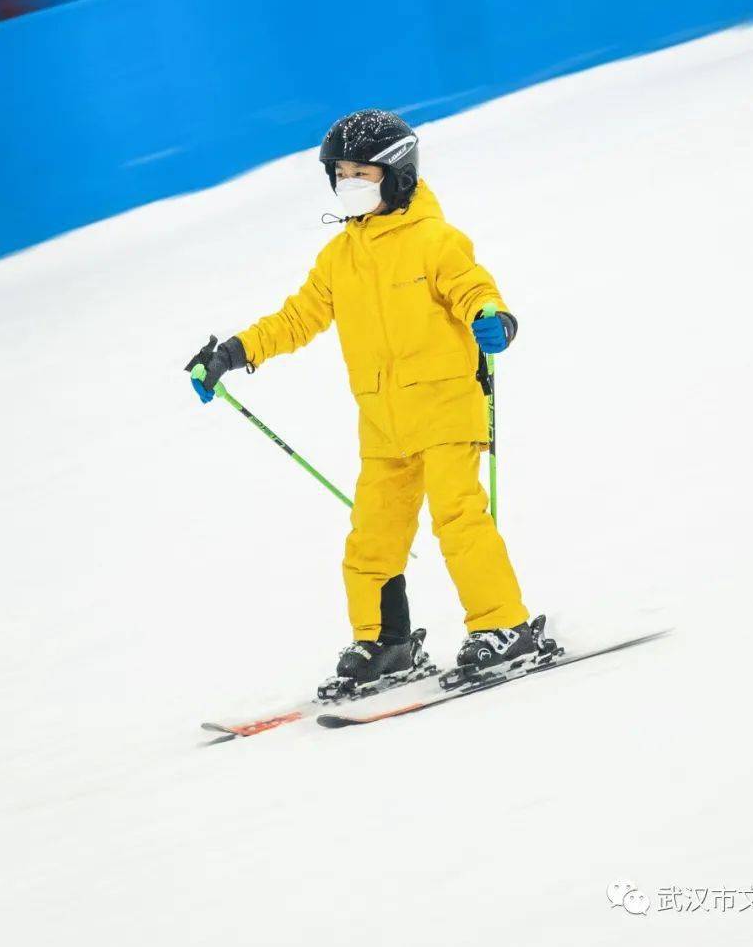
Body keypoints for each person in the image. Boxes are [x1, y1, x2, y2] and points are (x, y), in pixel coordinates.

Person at [184, 109, 548, 694]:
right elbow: (297, 318)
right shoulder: (339, 258)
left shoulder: (435, 240)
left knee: (458, 519)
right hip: (383, 424)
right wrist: (234, 352)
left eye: (363, 173)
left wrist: (494, 320)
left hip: (447, 409)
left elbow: (474, 288)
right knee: (371, 538)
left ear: (397, 175)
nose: (349, 183)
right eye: (342, 173)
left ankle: (504, 625)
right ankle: (386, 641)